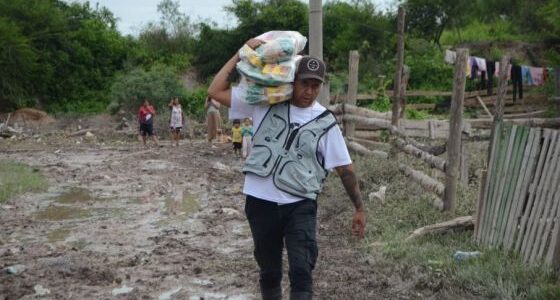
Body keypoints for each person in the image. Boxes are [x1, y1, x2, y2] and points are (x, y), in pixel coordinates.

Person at [208, 38, 365, 300]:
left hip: (300, 204)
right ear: (292, 81)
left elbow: (345, 170)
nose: (310, 91)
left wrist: (359, 207)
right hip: (260, 202)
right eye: (305, 83)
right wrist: (241, 54)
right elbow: (215, 90)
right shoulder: (263, 103)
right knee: (269, 271)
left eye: (316, 85)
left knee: (302, 271)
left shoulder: (325, 122)